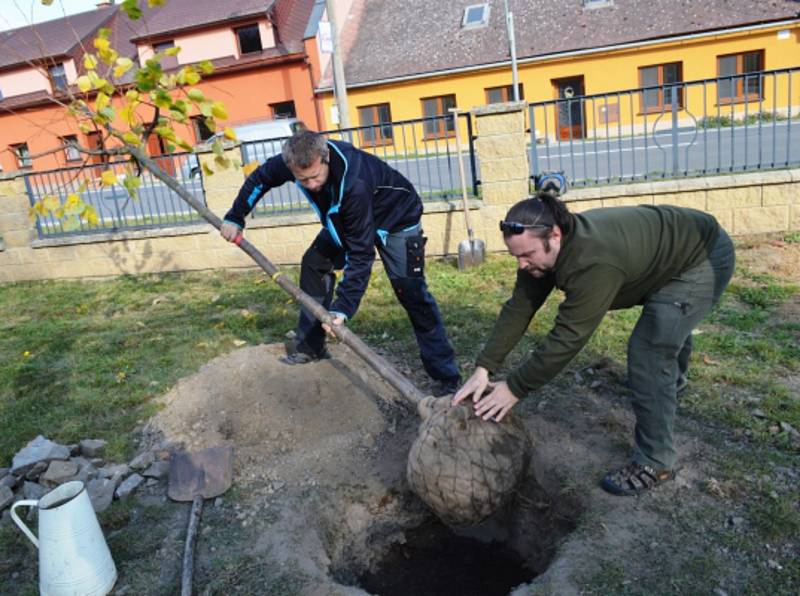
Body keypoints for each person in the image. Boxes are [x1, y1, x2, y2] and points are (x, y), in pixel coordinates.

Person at [452, 192, 735, 496]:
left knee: (650, 352)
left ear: (555, 235)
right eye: (515, 257)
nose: (521, 265)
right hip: (667, 253)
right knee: (664, 329)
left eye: (527, 255)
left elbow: (568, 338)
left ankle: (655, 460)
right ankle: (668, 385)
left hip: (700, 258)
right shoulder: (544, 251)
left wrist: (515, 387)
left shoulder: (592, 261)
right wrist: (485, 367)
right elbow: (520, 307)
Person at [220, 130, 460, 396]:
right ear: (290, 167)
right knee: (314, 263)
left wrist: (343, 307)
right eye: (303, 180)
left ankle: (445, 376)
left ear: (325, 158)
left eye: (315, 177)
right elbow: (260, 179)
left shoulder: (353, 181)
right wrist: (235, 217)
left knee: (411, 292)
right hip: (348, 222)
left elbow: (361, 253)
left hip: (396, 220)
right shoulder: (291, 162)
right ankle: (310, 346)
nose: (311, 185)